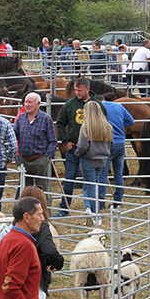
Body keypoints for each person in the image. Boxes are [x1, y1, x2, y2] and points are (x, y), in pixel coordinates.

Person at [55, 77, 107, 215]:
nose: (77, 93)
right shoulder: (70, 104)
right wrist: (65, 141)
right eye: (75, 90)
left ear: (87, 89)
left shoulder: (97, 105)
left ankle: (95, 207)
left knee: (92, 180)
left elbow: (105, 124)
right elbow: (60, 123)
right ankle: (64, 209)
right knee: (69, 179)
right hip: (74, 148)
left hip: (92, 150)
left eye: (79, 90)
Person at [13, 92, 57, 201]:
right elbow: (14, 135)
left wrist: (47, 157)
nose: (27, 105)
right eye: (25, 102)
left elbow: (52, 140)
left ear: (38, 104)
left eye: (30, 102)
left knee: (43, 192)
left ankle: (45, 216)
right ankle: (26, 215)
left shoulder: (46, 119)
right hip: (24, 160)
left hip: (40, 160)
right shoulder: (21, 118)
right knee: (25, 192)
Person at [73, 101, 112, 217]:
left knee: (90, 186)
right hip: (102, 160)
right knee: (91, 183)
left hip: (88, 160)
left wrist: (77, 153)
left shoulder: (86, 127)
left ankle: (95, 213)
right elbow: (112, 143)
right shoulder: (107, 126)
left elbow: (83, 146)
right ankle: (88, 207)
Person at [96, 96, 134, 211]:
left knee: (102, 173)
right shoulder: (119, 106)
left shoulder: (100, 108)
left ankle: (101, 202)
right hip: (121, 143)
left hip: (107, 143)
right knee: (119, 174)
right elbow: (130, 121)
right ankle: (118, 201)